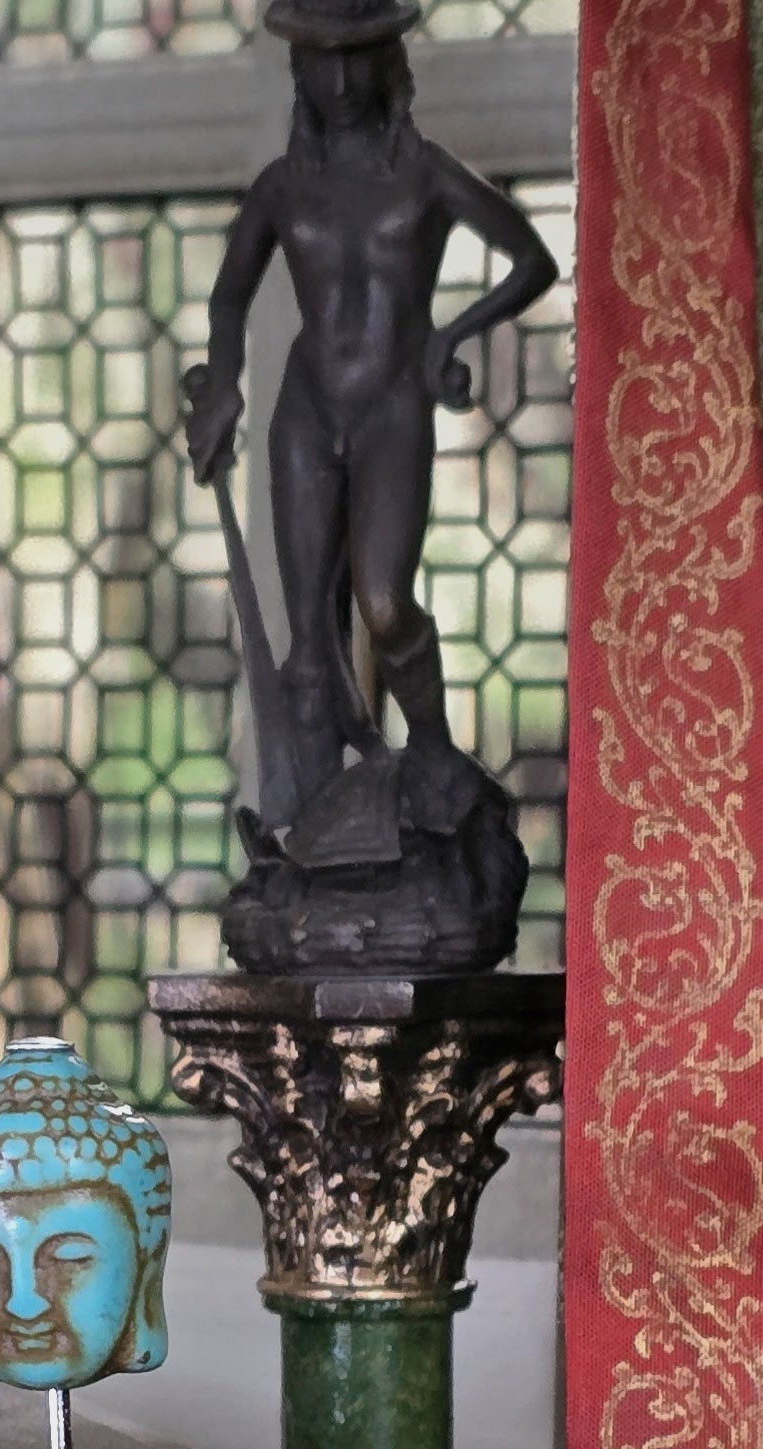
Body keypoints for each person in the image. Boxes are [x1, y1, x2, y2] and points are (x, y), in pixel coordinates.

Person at [184, 0, 558, 837]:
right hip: (308, 412)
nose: (344, 82)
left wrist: (453, 333)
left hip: (391, 410)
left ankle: (430, 752)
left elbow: (533, 259)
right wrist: (222, 382)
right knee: (309, 646)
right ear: (299, 71)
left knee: (384, 603)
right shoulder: (286, 185)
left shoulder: (423, 172)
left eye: (361, 58)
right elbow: (231, 288)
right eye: (325, 61)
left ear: (392, 63)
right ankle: (319, 835)